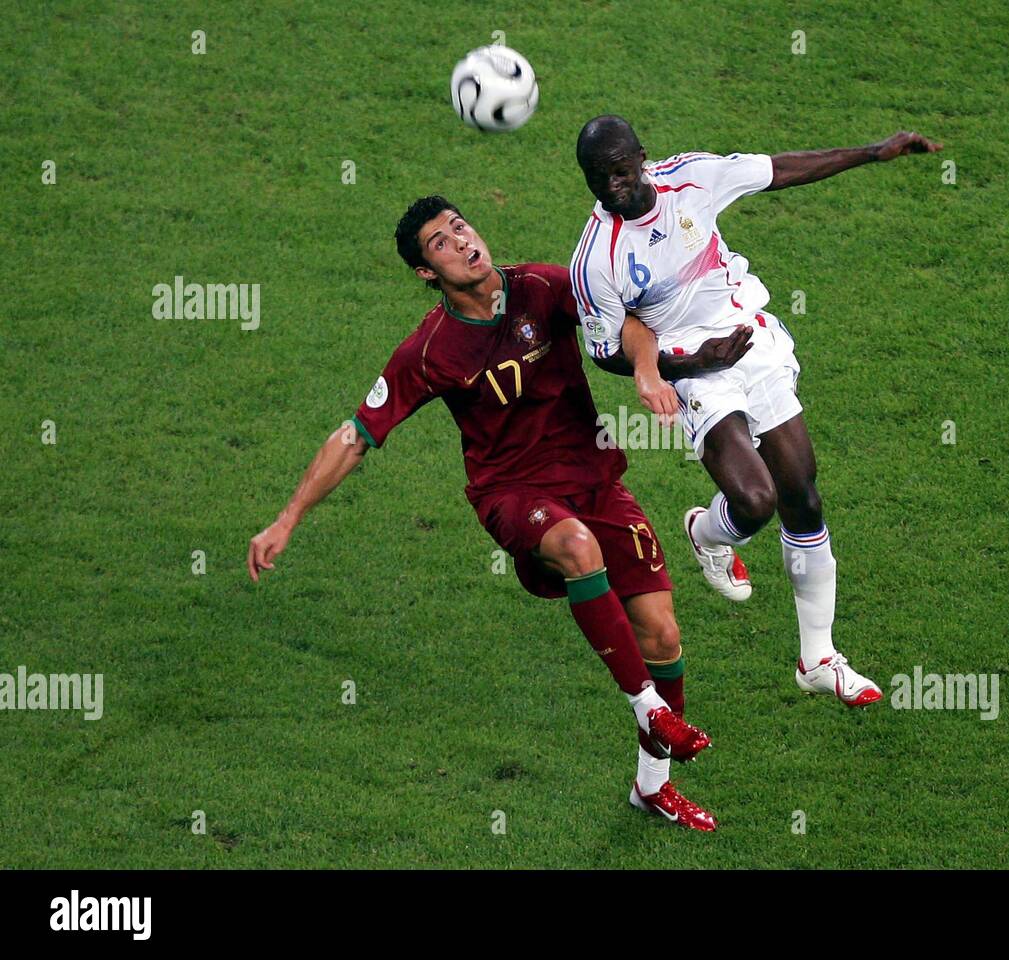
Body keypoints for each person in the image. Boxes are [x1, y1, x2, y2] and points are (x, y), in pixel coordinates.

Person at [248, 195, 750, 830]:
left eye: (459, 228)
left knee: (663, 635)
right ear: (427, 274)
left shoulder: (540, 286)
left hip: (594, 481)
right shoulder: (429, 352)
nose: (460, 242)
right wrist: (287, 518)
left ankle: (651, 787)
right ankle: (648, 706)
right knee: (576, 550)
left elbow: (624, 323)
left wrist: (647, 368)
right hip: (513, 493)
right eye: (440, 243)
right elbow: (357, 433)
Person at [570, 117, 942, 707]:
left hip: (753, 339)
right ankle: (705, 531)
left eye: (620, 170)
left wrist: (874, 151)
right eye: (598, 176)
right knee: (755, 500)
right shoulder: (594, 261)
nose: (612, 185)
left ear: (642, 158)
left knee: (803, 494)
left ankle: (817, 657)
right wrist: (689, 364)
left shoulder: (690, 178)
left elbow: (779, 169)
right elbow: (608, 354)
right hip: (695, 368)